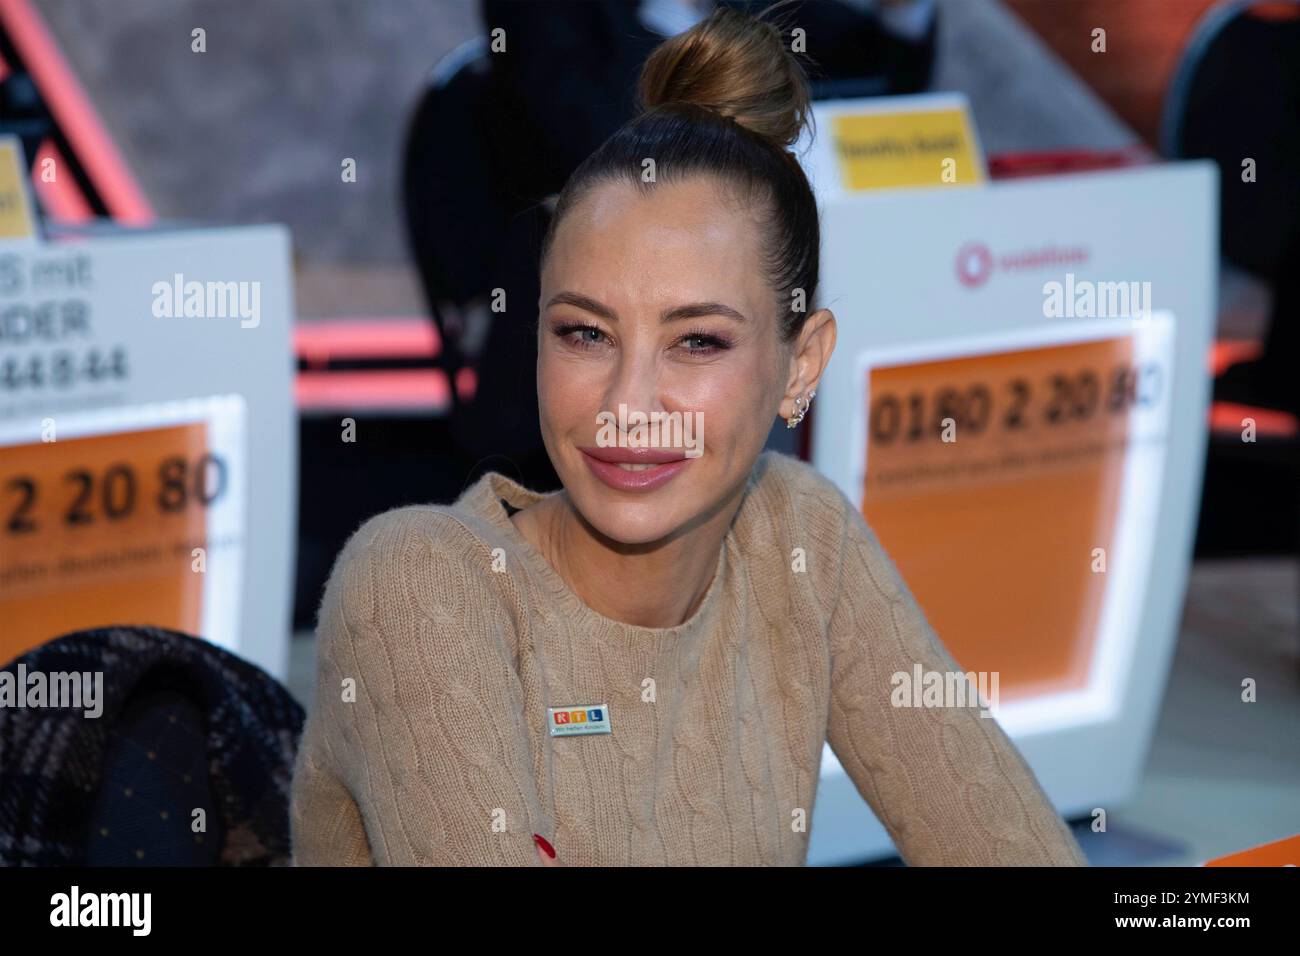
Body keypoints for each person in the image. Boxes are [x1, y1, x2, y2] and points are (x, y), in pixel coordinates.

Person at [292, 6, 1086, 867]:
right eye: (585, 334)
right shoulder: (416, 586)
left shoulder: (799, 537)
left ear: (800, 366)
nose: (629, 402)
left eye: (698, 340)